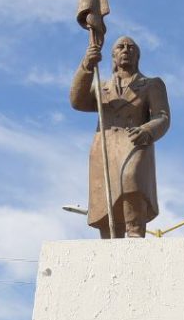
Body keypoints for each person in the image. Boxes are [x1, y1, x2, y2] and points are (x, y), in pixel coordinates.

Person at [70, 35, 170, 238]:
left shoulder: (151, 84)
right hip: (106, 149)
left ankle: (135, 235)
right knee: (107, 202)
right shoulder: (102, 86)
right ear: (113, 56)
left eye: (131, 47)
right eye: (120, 47)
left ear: (137, 56)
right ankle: (110, 245)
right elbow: (77, 101)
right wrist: (87, 65)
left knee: (131, 181)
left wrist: (148, 130)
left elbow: (162, 116)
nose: (126, 50)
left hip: (136, 143)